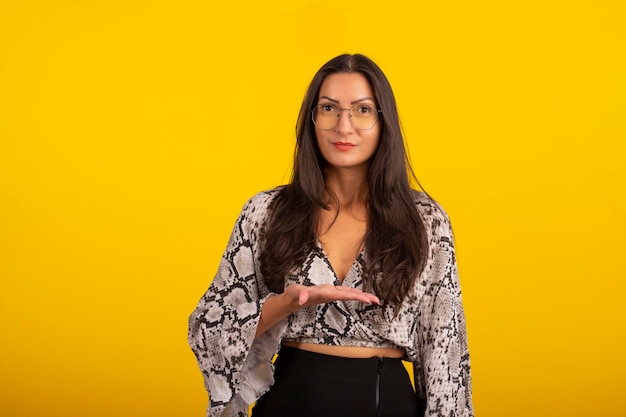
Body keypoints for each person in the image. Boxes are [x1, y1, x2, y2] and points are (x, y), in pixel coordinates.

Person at [188, 53, 473, 417]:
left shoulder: (426, 220)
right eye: (329, 108)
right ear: (311, 119)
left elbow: (446, 355)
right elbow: (209, 327)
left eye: (362, 110)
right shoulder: (266, 212)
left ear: (385, 121)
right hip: (290, 402)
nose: (344, 126)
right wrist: (286, 304)